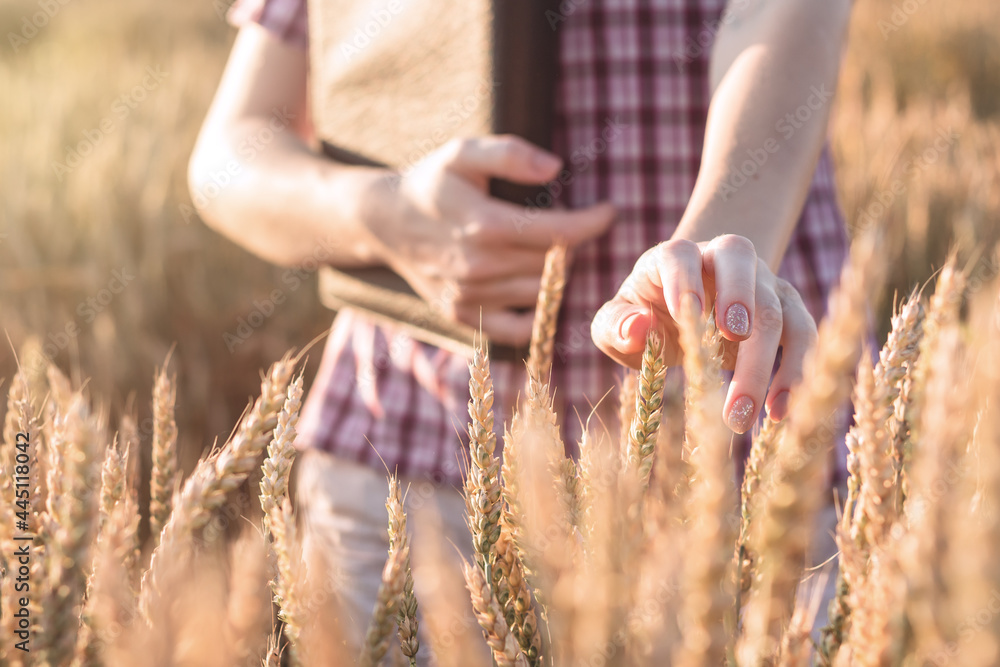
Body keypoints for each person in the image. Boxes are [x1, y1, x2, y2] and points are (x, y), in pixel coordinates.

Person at [189, 0, 852, 652]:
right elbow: (230, 153)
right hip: (413, 475)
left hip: (748, 465)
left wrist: (710, 263)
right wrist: (385, 215)